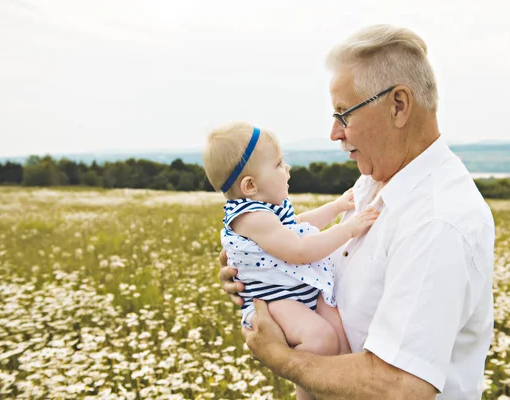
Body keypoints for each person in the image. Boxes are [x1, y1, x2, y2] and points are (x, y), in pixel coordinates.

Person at [219, 24, 495, 400]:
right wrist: (260, 266)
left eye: (343, 113)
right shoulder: (375, 182)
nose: (334, 132)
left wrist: (281, 358)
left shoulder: (437, 220)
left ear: (398, 105)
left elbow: (398, 386)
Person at [203, 122, 380, 400]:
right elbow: (299, 248)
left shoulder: (267, 210)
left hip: (295, 294)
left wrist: (335, 208)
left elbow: (298, 227)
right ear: (250, 185)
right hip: (273, 303)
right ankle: (306, 394)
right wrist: (349, 228)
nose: (287, 169)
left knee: (341, 338)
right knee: (321, 339)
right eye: (278, 164)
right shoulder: (251, 217)